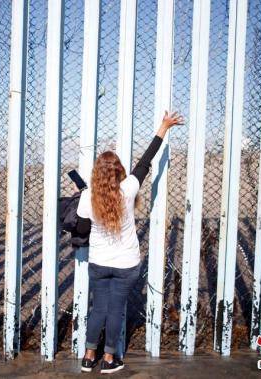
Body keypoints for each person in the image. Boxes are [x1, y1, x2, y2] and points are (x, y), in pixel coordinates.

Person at [76, 111, 184, 374]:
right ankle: (110, 360)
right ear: (120, 171)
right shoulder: (130, 188)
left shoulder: (87, 196)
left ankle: (89, 356)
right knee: (116, 310)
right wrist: (163, 127)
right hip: (126, 264)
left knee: (99, 307)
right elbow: (146, 161)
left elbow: (81, 230)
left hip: (99, 263)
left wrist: (86, 201)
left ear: (96, 174)